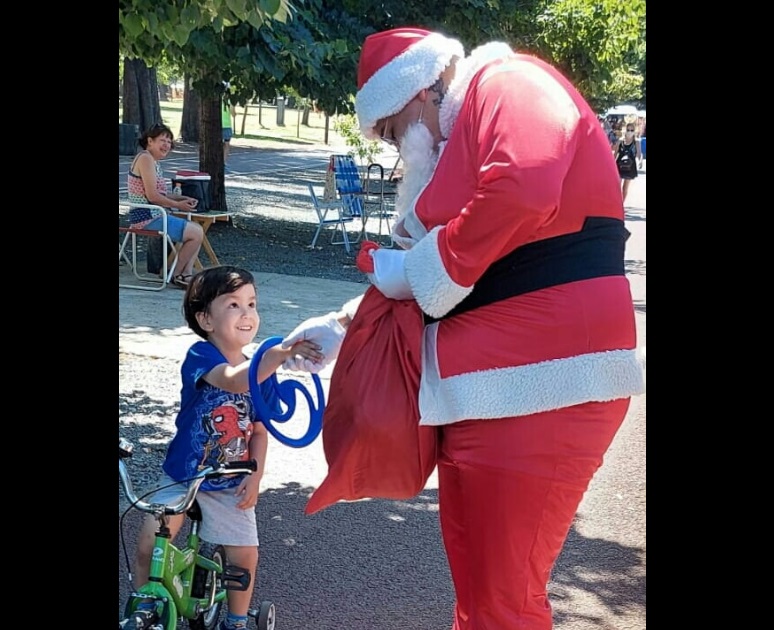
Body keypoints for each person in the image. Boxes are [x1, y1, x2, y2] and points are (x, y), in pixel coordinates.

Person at [281, 27, 645, 630]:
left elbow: (521, 187)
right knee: (484, 600)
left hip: (545, 386)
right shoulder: (459, 140)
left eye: (395, 132)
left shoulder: (508, 81)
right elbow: (427, 269)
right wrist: (344, 326)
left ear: (420, 93)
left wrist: (422, 270)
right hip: (495, 389)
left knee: (502, 604)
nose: (400, 152)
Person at [132, 265, 322, 630]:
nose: (247, 312)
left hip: (230, 479)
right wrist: (281, 354)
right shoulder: (201, 356)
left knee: (244, 553)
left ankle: (236, 619)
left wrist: (257, 475)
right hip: (184, 473)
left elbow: (260, 432)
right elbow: (233, 382)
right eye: (233, 304)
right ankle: (147, 605)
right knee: (149, 545)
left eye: (252, 303)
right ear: (205, 319)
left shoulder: (262, 370)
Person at [127, 123, 204, 288]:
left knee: (196, 229)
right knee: (196, 233)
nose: (166, 145)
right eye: (162, 140)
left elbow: (161, 194)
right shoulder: (145, 158)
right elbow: (153, 196)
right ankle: (176, 274)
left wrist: (182, 198)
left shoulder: (153, 161)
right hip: (146, 217)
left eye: (169, 142)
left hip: (155, 214)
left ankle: (186, 273)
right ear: (150, 141)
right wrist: (179, 206)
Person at [613, 121, 643, 204]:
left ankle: (622, 204)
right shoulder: (620, 141)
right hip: (619, 165)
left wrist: (640, 160)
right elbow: (615, 154)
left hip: (630, 166)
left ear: (634, 131)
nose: (629, 132)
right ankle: (617, 203)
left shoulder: (636, 142)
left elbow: (639, 154)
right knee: (617, 186)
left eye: (631, 130)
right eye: (628, 129)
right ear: (625, 130)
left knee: (625, 187)